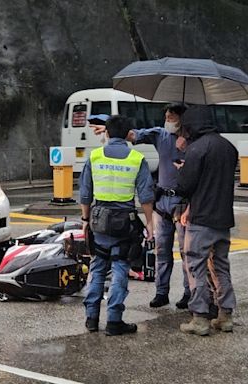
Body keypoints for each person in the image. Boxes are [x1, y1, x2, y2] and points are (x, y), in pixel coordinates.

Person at [92, 103, 191, 309]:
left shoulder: (194, 140)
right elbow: (133, 135)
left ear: (182, 118)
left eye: (171, 117)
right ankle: (161, 292)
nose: (167, 120)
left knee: (186, 252)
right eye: (166, 116)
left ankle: (188, 293)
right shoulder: (161, 135)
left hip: (183, 203)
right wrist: (110, 130)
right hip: (162, 202)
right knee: (162, 251)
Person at [80, 115, 154, 336]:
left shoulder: (94, 157)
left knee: (98, 266)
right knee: (120, 267)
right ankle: (114, 320)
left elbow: (85, 193)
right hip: (124, 222)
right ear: (128, 134)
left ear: (107, 133)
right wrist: (150, 224)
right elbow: (146, 196)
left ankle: (91, 318)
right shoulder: (136, 158)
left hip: (98, 219)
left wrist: (85, 221)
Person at [174, 105, 237, 336]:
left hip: (201, 219)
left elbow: (185, 186)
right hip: (223, 219)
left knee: (196, 267)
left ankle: (200, 317)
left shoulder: (196, 149)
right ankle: (225, 315)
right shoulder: (229, 147)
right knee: (221, 267)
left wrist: (182, 167)